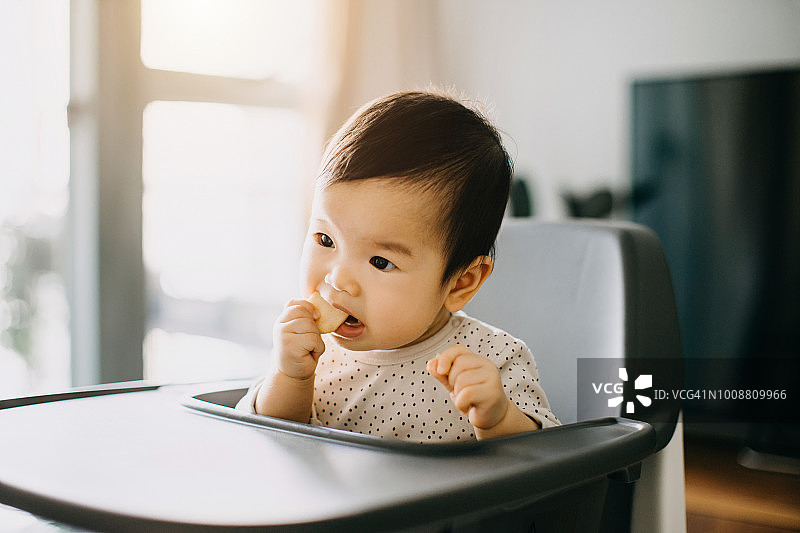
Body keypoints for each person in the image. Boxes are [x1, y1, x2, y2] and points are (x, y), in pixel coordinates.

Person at [237, 90, 559, 442]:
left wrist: (497, 419)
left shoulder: (493, 358)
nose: (338, 279)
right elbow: (268, 442)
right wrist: (290, 378)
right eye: (325, 240)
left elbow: (547, 461)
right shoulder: (311, 353)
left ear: (460, 283)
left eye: (380, 261)